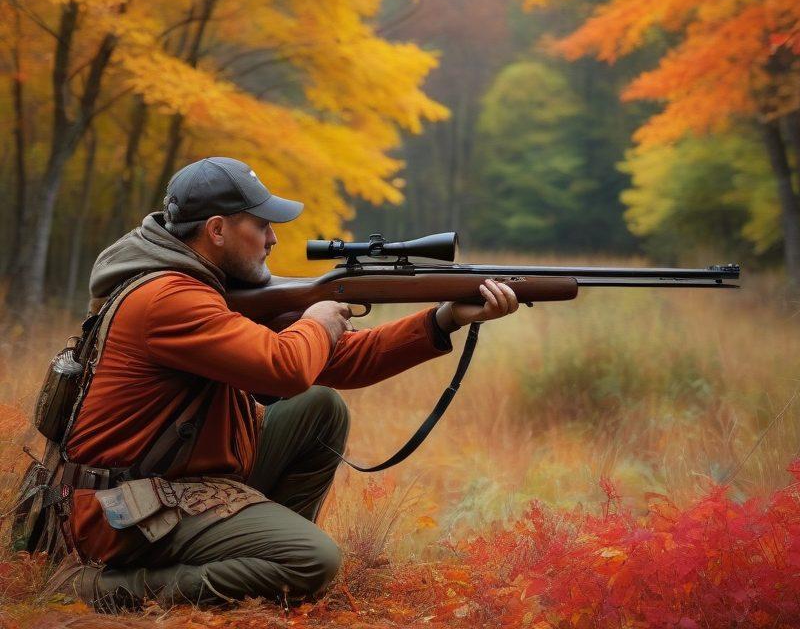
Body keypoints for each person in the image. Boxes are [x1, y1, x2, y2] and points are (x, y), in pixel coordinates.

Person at [49, 156, 519, 611]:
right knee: (314, 560)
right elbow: (286, 368)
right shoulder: (169, 299)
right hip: (123, 509)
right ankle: (110, 589)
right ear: (216, 230)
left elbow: (339, 364)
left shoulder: (209, 288)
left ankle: (263, 556)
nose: (273, 238)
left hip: (181, 479)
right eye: (261, 225)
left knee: (319, 406)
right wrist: (318, 318)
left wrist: (445, 318)